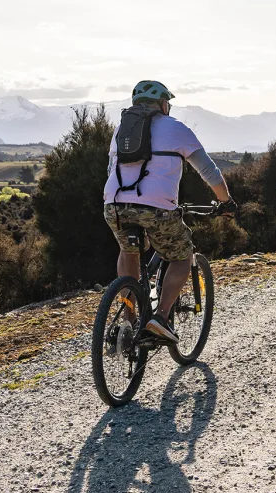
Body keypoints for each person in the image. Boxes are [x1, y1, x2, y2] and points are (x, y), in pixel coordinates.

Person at [104, 80, 236, 344]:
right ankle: (161, 318)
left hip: (114, 206)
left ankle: (129, 320)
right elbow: (209, 171)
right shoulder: (176, 128)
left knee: (129, 250)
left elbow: (111, 169)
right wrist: (226, 201)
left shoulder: (121, 129)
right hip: (157, 208)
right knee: (182, 257)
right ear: (163, 104)